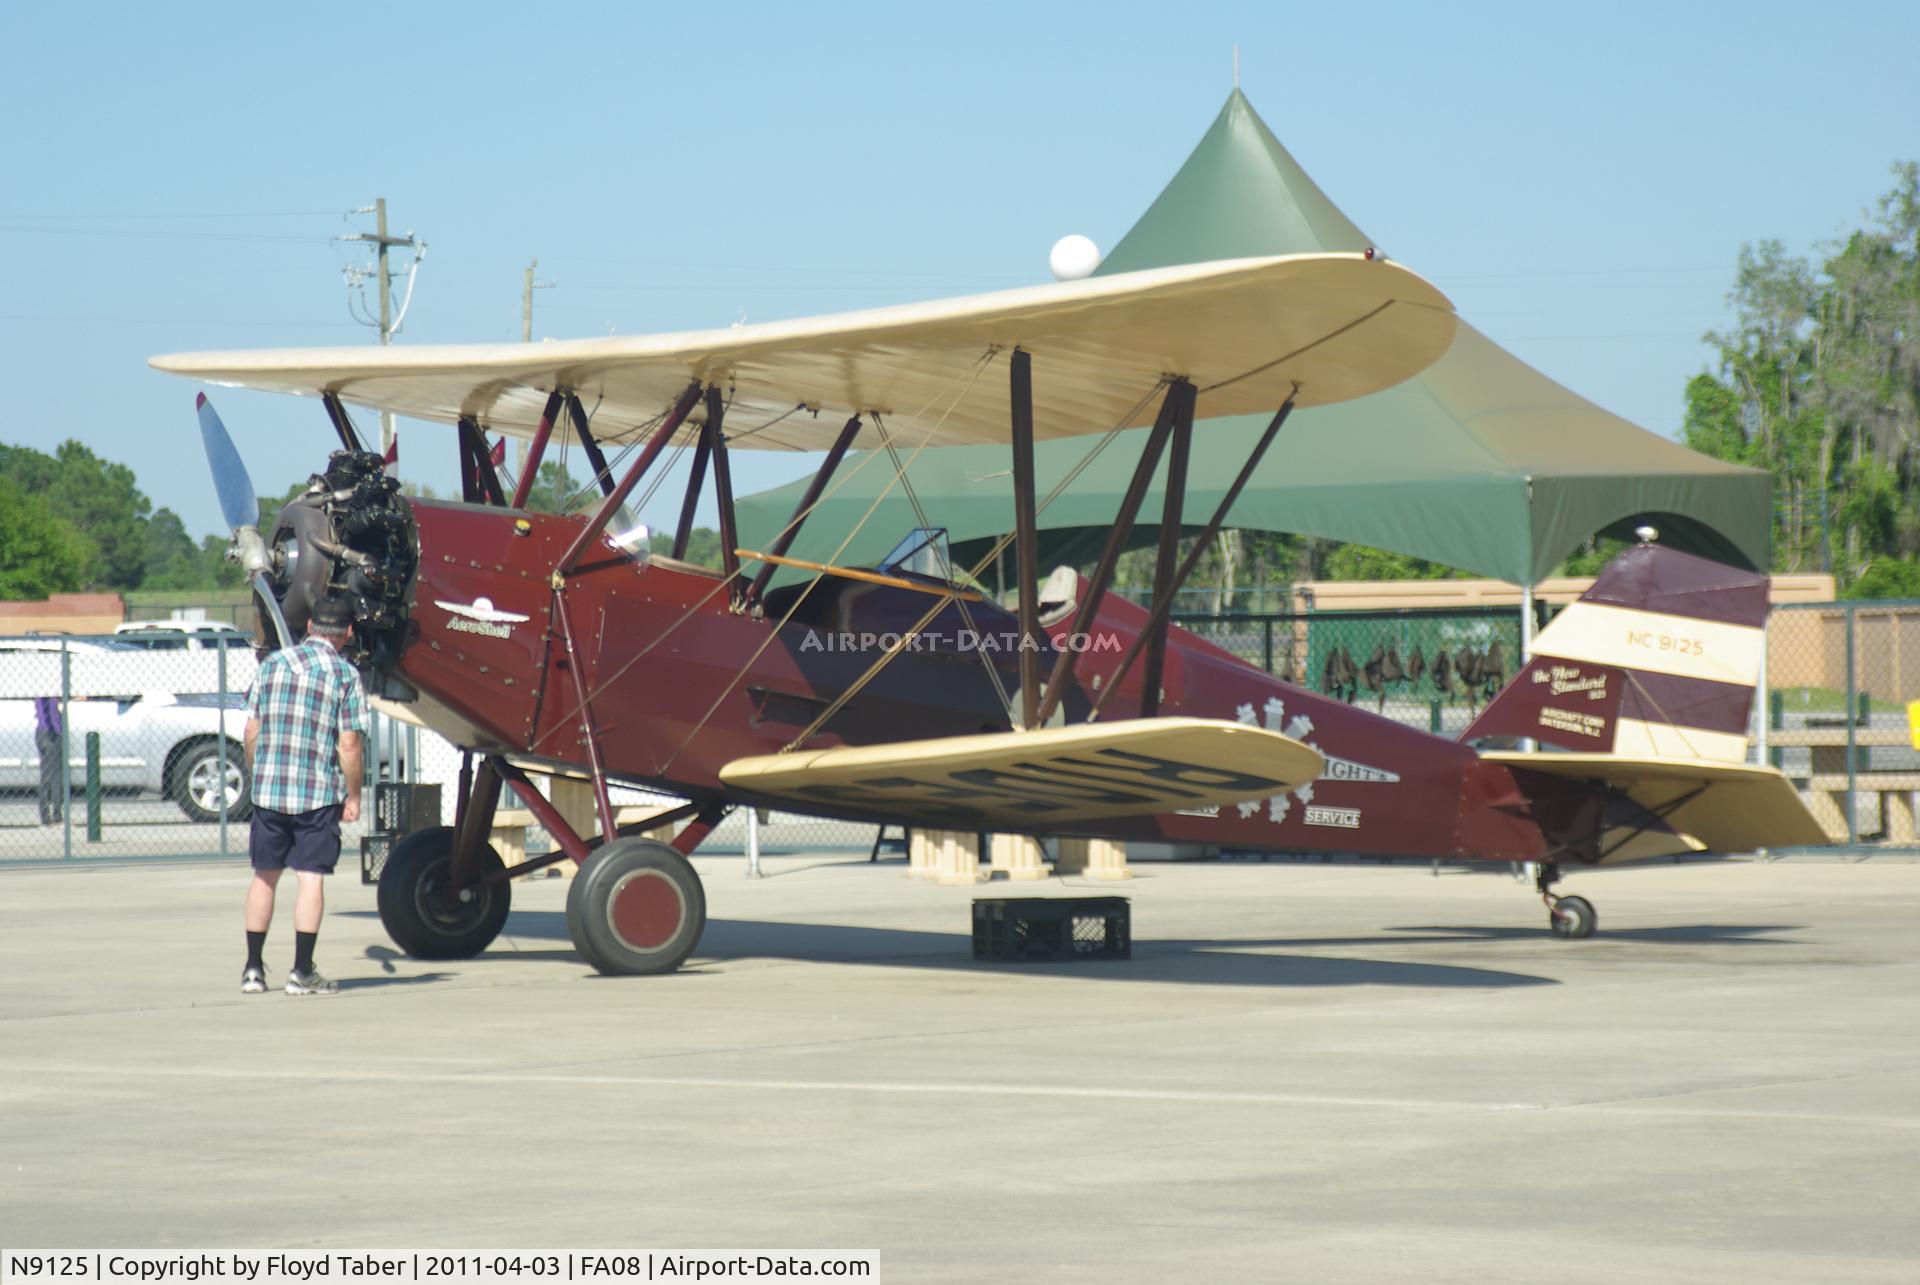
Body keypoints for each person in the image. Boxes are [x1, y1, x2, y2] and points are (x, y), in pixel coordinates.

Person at [240, 595, 367, 995]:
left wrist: (258, 774)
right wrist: (354, 794)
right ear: (348, 632)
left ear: (311, 625)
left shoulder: (272, 665)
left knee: (264, 878)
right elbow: (349, 745)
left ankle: (253, 970)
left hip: (268, 792)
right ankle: (301, 971)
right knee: (310, 880)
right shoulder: (344, 675)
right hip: (317, 794)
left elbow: (251, 731)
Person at [33, 695, 63, 825]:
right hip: (49, 731)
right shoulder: (45, 693)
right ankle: (47, 815)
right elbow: (47, 713)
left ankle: (55, 814)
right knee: (48, 775)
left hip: (52, 731)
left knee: (54, 774)